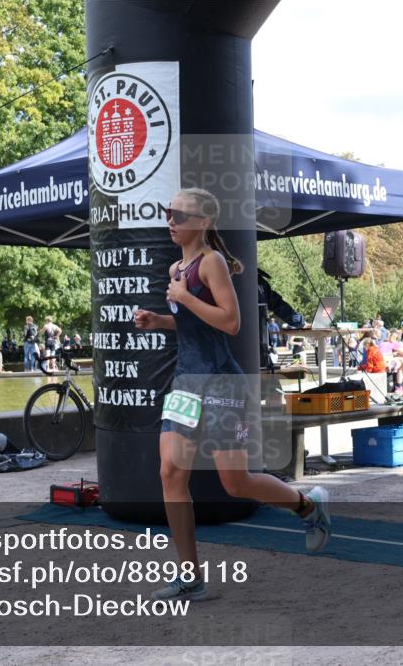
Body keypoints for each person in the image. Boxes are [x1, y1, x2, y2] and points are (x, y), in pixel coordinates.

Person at [133, 187, 331, 602]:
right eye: (168, 213)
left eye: (179, 215)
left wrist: (184, 298)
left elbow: (231, 323)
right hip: (186, 383)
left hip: (223, 383)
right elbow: (193, 326)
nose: (170, 220)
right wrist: (160, 320)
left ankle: (308, 507)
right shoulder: (176, 269)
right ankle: (191, 578)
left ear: (202, 223)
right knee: (170, 472)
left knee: (235, 483)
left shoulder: (212, 262)